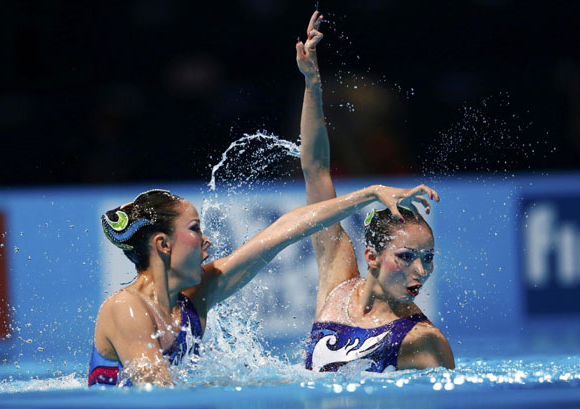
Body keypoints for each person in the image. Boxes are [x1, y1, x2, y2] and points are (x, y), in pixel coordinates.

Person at [89, 183, 439, 386]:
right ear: (163, 245)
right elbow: (156, 398)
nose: (207, 240)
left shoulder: (193, 299)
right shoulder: (127, 309)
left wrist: (370, 195)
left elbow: (282, 232)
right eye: (195, 229)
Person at [296, 11, 454, 372]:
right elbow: (316, 171)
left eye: (427, 258)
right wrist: (312, 82)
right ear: (370, 256)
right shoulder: (337, 286)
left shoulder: (423, 340)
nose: (421, 271)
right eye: (406, 256)